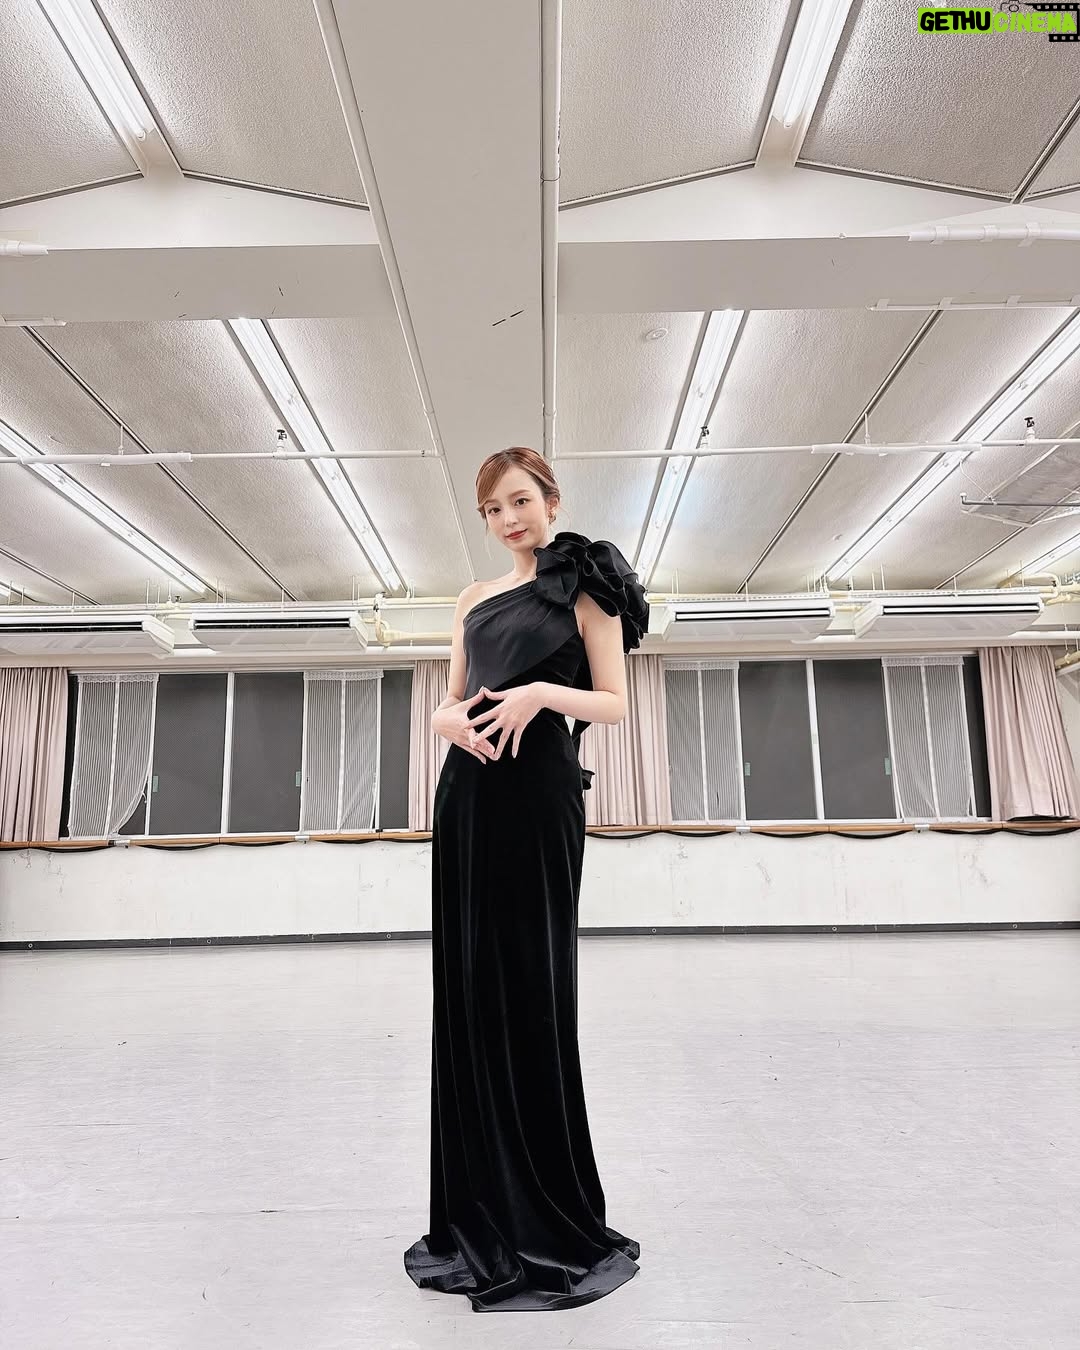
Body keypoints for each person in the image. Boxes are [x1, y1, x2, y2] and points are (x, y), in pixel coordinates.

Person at [403, 446, 649, 1311]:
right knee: (470, 990)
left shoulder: (586, 590)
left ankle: (545, 1209)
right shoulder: (472, 598)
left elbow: (614, 700)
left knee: (530, 985)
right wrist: (445, 721)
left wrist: (541, 694)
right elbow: (451, 697)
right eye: (492, 509)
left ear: (551, 501)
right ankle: (478, 1205)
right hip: (468, 794)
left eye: (519, 501)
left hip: (538, 796)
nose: (508, 519)